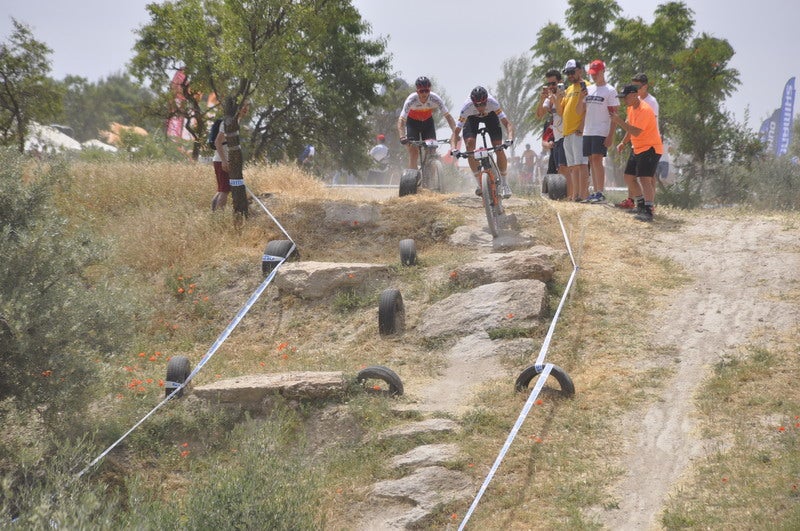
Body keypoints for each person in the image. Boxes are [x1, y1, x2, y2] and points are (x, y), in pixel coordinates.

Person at [450, 86, 515, 198]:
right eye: (477, 104)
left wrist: (510, 138)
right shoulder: (467, 107)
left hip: (490, 117)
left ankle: (504, 183)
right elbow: (456, 132)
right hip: (472, 119)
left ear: (486, 101)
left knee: (498, 147)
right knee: (469, 146)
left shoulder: (493, 103)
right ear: (473, 103)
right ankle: (480, 184)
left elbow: (507, 124)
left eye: (483, 104)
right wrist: (453, 148)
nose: (480, 107)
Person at [611, 84, 663, 222]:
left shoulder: (645, 110)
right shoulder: (630, 108)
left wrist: (618, 121)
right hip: (637, 147)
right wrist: (623, 142)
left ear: (634, 95)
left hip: (650, 148)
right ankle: (640, 204)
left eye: (625, 97)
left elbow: (636, 131)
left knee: (645, 179)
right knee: (629, 177)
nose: (624, 101)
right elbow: (630, 128)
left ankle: (648, 210)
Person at [577, 59, 618, 203]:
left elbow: (615, 115)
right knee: (590, 160)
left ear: (603, 71)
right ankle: (594, 192)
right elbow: (579, 111)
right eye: (592, 73)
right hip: (588, 130)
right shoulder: (589, 89)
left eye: (596, 73)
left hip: (601, 130)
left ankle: (600, 192)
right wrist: (581, 98)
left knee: (597, 159)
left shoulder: (610, 90)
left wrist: (610, 135)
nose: (594, 76)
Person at [397, 76, 457, 170]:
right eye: (421, 91)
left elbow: (448, 116)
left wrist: (455, 132)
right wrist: (402, 136)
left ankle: (430, 177)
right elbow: (401, 120)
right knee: (413, 153)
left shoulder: (435, 98)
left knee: (431, 151)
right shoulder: (411, 99)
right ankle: (413, 177)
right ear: (417, 91)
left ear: (430, 90)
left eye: (426, 91)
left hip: (427, 123)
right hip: (413, 124)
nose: (424, 93)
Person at [559, 59, 590, 201]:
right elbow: (561, 111)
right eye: (567, 73)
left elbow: (588, 110)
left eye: (572, 72)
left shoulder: (588, 87)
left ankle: (583, 195)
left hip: (578, 131)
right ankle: (575, 195)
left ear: (580, 71)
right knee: (572, 167)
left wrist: (582, 126)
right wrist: (556, 99)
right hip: (567, 132)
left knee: (581, 165)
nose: (570, 76)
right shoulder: (569, 89)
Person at [536, 68, 569, 189]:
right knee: (560, 167)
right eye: (548, 84)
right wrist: (542, 99)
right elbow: (539, 115)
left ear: (560, 81)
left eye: (553, 83)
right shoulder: (549, 98)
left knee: (568, 167)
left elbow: (562, 113)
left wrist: (556, 98)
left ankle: (571, 192)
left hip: (568, 134)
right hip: (558, 136)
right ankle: (565, 193)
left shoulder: (565, 94)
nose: (551, 86)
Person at [211, 118, 229, 211]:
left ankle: (214, 216)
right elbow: (217, 142)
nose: (246, 109)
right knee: (224, 191)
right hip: (222, 162)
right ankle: (219, 218)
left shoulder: (233, 122)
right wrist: (224, 161)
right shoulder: (226, 123)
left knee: (221, 190)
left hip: (221, 161)